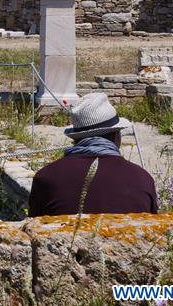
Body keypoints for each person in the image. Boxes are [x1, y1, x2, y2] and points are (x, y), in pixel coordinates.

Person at [28, 92, 157, 217]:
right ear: (116, 136)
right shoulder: (142, 179)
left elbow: (33, 228)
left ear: (75, 138)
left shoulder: (46, 177)